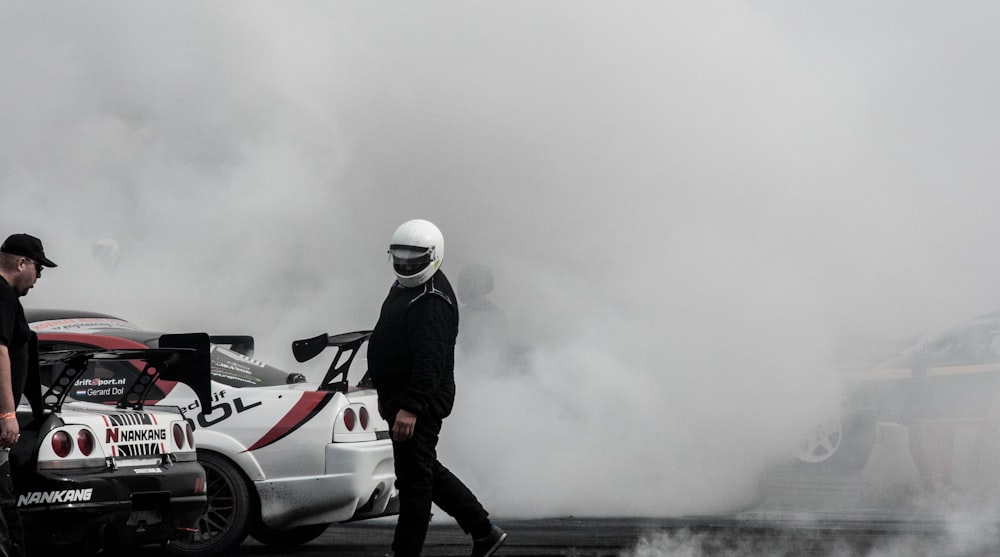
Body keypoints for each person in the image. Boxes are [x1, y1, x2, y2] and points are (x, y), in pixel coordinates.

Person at [367, 219, 506, 557]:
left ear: (433, 256)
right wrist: (376, 373)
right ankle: (483, 530)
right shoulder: (406, 287)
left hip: (417, 401)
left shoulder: (431, 300)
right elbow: (393, 337)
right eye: (400, 256)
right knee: (426, 468)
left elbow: (430, 361)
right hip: (402, 396)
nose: (406, 263)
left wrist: (411, 407)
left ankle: (406, 552)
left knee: (414, 484)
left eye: (415, 258)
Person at [0, 233, 56, 557]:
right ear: (22, 263)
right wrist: (7, 413)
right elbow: (0, 351)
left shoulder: (8, 299)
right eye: (39, 269)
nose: (38, 278)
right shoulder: (2, 296)